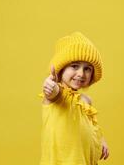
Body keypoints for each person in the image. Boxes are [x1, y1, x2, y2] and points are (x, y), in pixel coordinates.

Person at [38, 32, 110, 165]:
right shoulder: (58, 96)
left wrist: (101, 139)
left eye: (87, 69)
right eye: (74, 66)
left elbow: (92, 126)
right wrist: (50, 87)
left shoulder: (86, 100)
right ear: (61, 69)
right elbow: (53, 93)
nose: (81, 73)